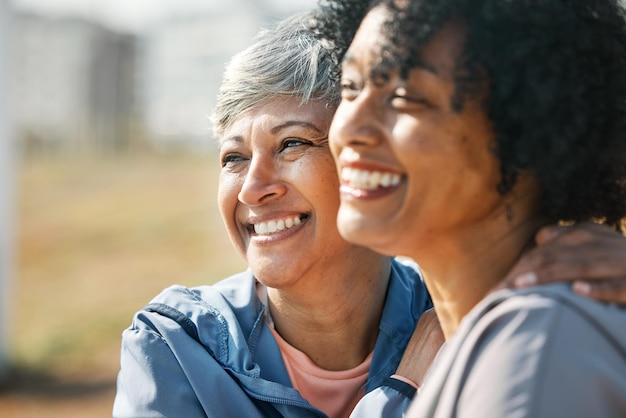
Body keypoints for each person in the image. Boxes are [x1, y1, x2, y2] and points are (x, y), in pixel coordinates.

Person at [113, 9, 626, 418]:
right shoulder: (176, 345)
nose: (253, 188)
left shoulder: (529, 334)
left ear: (525, 132)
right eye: (233, 157)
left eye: (292, 143)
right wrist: (399, 394)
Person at [314, 0, 626, 416]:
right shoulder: (486, 341)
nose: (350, 127)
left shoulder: (534, 344)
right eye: (351, 87)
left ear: (526, 126)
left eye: (406, 96)